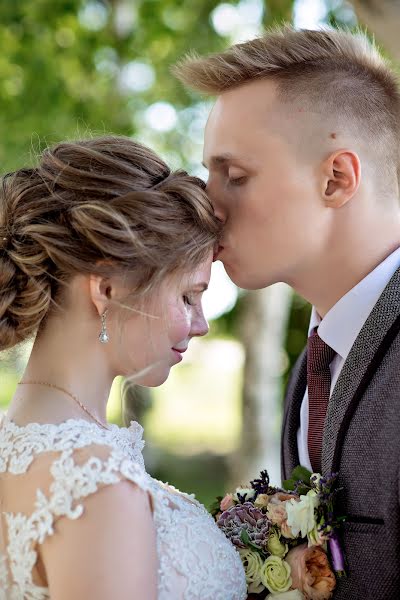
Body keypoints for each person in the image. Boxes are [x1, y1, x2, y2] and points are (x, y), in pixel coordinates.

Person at [174, 27, 400, 599]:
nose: (207, 206)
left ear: (336, 178)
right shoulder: (312, 368)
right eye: (208, 174)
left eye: (236, 177)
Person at [0, 136, 247, 600]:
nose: (201, 325)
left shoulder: (18, 443)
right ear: (107, 289)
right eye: (188, 296)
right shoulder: (94, 484)